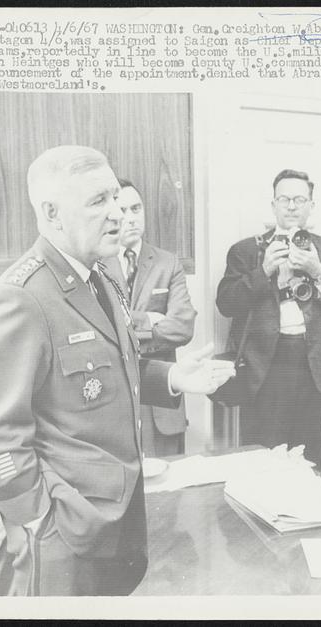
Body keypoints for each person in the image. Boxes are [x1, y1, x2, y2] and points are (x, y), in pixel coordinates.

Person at [0, 145, 235, 596]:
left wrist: (171, 377)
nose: (118, 214)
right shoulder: (21, 298)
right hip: (62, 535)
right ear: (52, 214)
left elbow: (106, 370)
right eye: (98, 202)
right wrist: (40, 520)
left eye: (117, 197)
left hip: (117, 517)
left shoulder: (101, 279)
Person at [216, 169, 321, 468]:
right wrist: (264, 271)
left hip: (313, 366)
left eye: (299, 199)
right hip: (264, 367)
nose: (292, 206)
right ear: (273, 205)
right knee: (263, 457)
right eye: (285, 199)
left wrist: (319, 271)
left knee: (307, 458)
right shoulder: (246, 250)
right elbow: (226, 304)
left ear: (311, 206)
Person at [103, 179, 197, 456]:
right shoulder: (94, 264)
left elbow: (182, 327)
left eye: (136, 208)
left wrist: (123, 332)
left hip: (162, 409)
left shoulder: (167, 263)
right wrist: (148, 320)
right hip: (114, 405)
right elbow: (97, 326)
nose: (131, 218)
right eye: (123, 210)